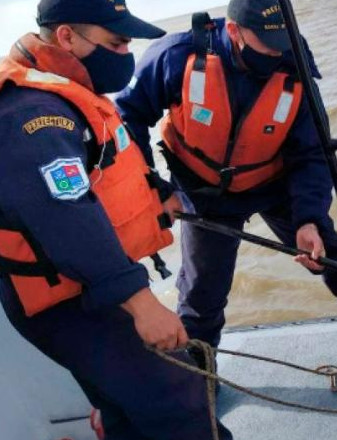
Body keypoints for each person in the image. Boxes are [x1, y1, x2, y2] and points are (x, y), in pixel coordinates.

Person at [115, 0, 337, 365]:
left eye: (284, 40)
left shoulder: (295, 66)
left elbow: (312, 153)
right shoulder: (176, 55)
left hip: (273, 181)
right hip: (203, 191)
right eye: (268, 42)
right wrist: (154, 188)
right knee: (203, 289)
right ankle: (202, 374)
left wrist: (308, 218)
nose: (277, 51)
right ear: (233, 30)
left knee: (331, 254)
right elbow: (127, 117)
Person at [0, 0, 232, 438]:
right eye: (117, 42)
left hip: (87, 287)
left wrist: (157, 195)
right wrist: (142, 304)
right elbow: (64, 220)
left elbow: (99, 168)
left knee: (124, 413)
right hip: (69, 301)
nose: (126, 55)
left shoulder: (60, 86)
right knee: (183, 401)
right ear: (67, 36)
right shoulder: (31, 114)